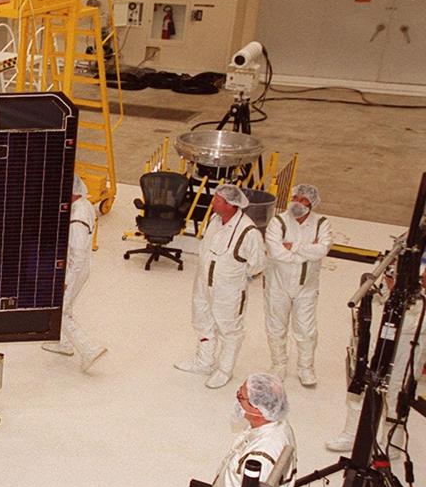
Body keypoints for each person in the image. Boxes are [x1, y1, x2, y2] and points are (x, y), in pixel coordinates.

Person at [327, 258, 426, 452]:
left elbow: (411, 325)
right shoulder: (412, 281)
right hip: (380, 343)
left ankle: (392, 445)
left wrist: (401, 296)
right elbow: (382, 303)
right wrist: (390, 288)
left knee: (395, 396)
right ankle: (352, 434)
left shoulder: (420, 301)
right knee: (361, 387)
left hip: (406, 353)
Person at [175, 184, 264, 389]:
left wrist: (237, 279)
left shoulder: (248, 232)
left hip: (229, 290)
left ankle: (225, 370)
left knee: (229, 329)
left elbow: (258, 264)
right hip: (203, 284)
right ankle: (204, 362)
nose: (213, 203)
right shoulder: (215, 220)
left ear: (231, 205)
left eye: (217, 200)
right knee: (202, 321)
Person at [264, 184, 333, 387]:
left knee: (306, 329)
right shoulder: (278, 222)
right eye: (295, 197)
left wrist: (293, 246)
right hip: (278, 285)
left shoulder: (321, 224)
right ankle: (278, 364)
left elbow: (322, 250)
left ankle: (305, 367)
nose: (297, 203)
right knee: (276, 326)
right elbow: (276, 252)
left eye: (303, 200)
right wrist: (306, 253)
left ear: (312, 204)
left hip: (306, 288)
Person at [42, 175, 107, 372]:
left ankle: (88, 349)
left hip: (74, 271)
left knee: (58, 310)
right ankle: (63, 343)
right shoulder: (84, 205)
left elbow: (77, 253)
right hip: (80, 268)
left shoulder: (78, 218)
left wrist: (66, 280)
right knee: (65, 306)